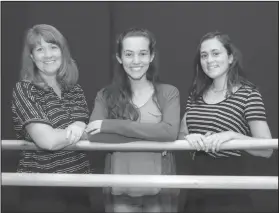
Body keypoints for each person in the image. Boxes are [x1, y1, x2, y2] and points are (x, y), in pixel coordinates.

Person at [85, 27, 180, 212]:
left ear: (151, 56)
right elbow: (93, 135)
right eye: (129, 54)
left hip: (159, 188)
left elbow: (169, 132)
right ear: (119, 58)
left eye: (142, 53)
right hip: (121, 188)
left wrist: (112, 126)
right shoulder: (105, 95)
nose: (136, 61)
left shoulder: (169, 92)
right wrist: (153, 134)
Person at [179, 31, 273, 212]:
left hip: (231, 188)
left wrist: (232, 136)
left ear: (230, 58)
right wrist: (190, 138)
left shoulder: (248, 94)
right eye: (204, 55)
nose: (209, 60)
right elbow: (181, 134)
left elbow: (267, 149)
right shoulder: (195, 94)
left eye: (216, 53)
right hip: (196, 186)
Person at [11, 24, 92, 212]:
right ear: (31, 56)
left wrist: (78, 128)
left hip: (79, 185)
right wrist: (79, 131)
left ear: (62, 52)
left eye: (53, 47)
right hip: (41, 190)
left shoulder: (74, 90)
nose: (48, 55)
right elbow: (46, 140)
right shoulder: (24, 89)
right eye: (40, 49)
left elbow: (84, 127)